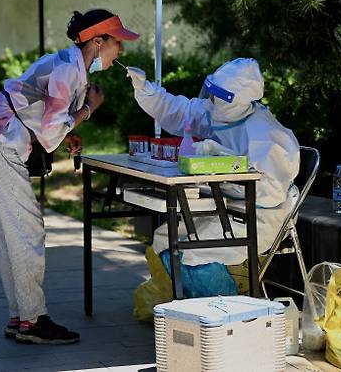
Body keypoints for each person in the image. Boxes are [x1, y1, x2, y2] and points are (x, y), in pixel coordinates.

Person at [0, 9, 139, 344]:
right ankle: (32, 321)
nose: (121, 50)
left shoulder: (70, 65)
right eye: (117, 42)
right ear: (98, 40)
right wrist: (88, 111)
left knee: (11, 235)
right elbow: (51, 131)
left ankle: (21, 317)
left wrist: (69, 129)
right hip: (1, 139)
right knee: (26, 231)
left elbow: (52, 123)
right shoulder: (67, 70)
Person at [127, 58, 299, 273]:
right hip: (223, 208)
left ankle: (220, 303)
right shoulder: (217, 113)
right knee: (165, 237)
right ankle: (182, 301)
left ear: (233, 100)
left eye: (216, 95)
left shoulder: (267, 136)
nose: (210, 98)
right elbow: (179, 110)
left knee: (192, 253)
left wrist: (225, 170)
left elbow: (269, 194)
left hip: (259, 219)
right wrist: (146, 90)